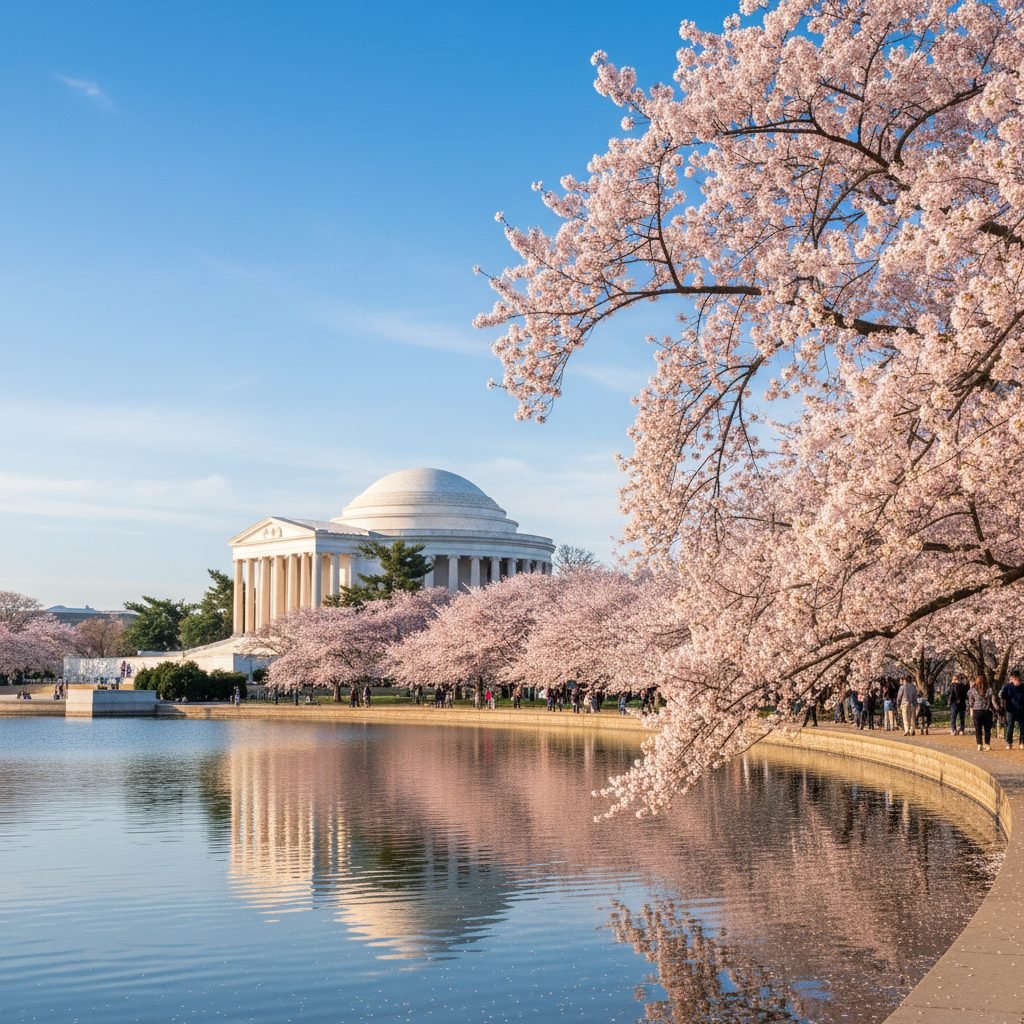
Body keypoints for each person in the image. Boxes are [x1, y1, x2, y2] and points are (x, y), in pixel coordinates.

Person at [967, 675, 994, 751]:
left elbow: (971, 702)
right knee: (987, 729)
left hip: (976, 711)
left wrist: (971, 712)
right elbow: (992, 700)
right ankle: (987, 744)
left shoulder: (972, 690)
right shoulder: (989, 690)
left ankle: (979, 744)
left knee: (978, 729)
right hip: (986, 711)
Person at [999, 670, 1024, 749]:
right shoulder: (1008, 686)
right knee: (1010, 726)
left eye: (1019, 680)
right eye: (1016, 680)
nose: (1018, 682)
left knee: (1023, 726)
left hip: (1022, 709)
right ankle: (1009, 742)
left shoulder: (1023, 686)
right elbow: (1002, 695)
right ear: (1012, 679)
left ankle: (1022, 742)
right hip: (1011, 710)